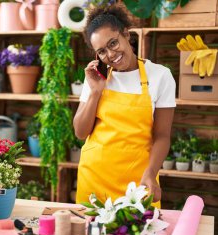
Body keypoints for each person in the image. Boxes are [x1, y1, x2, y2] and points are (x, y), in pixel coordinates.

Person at [74, 3, 176, 206]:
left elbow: (162, 136)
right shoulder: (96, 78)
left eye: (113, 43)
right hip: (95, 180)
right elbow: (80, 132)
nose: (110, 55)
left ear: (126, 34)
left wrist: (151, 173)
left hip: (139, 183)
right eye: (102, 51)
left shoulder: (160, 76)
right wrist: (96, 91)